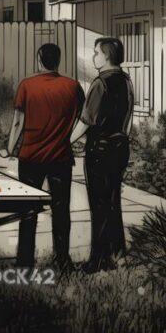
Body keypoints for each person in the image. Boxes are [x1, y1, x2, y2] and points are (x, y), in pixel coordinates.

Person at [7, 44, 84, 269]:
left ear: (39, 60)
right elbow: (84, 118)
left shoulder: (27, 85)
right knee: (61, 210)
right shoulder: (73, 86)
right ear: (58, 61)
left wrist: (10, 147)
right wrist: (70, 138)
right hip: (60, 157)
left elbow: (18, 121)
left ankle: (24, 262)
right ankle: (62, 260)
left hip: (30, 157)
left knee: (28, 210)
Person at [69, 37, 134, 272]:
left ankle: (97, 260)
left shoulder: (100, 83)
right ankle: (119, 255)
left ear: (106, 55)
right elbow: (128, 118)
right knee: (113, 202)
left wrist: (66, 141)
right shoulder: (126, 81)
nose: (93, 56)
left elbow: (86, 120)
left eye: (96, 52)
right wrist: (122, 138)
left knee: (99, 204)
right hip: (120, 146)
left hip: (100, 150)